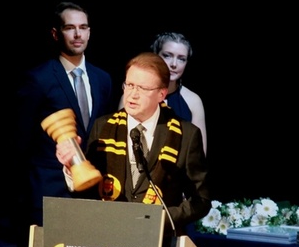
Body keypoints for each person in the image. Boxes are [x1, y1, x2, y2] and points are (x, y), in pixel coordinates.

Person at [55, 52, 210, 236]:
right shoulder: (103, 127)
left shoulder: (186, 135)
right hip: (108, 236)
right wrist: (72, 167)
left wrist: (161, 220)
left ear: (161, 94)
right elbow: (88, 194)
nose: (132, 95)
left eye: (142, 88)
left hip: (158, 239)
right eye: (129, 85)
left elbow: (200, 200)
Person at [16, 1, 114, 228]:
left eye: (83, 27)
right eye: (70, 28)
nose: (78, 34)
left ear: (89, 32)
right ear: (56, 33)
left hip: (92, 191)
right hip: (48, 192)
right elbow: (21, 142)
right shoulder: (39, 79)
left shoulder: (103, 79)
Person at [119, 32, 207, 154]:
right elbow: (121, 140)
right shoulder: (131, 95)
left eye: (181, 59)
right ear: (155, 55)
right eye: (167, 56)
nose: (174, 64)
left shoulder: (193, 101)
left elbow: (199, 152)